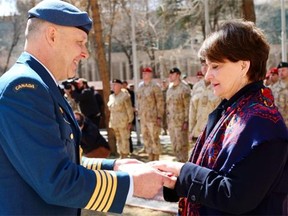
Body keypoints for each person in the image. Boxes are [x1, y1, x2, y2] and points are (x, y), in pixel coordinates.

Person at [0, 1, 173, 215]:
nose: (85, 53)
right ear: (52, 36)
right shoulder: (24, 89)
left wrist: (114, 167)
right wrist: (131, 184)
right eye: (80, 42)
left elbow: (61, 160)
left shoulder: (40, 85)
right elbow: (56, 180)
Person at [149, 20, 288, 215]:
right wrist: (173, 181)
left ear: (243, 66)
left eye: (215, 66)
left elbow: (236, 196)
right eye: (207, 66)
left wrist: (183, 171)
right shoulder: (234, 109)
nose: (208, 76)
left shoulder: (263, 123)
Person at [188, 59, 221, 150]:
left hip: (212, 132)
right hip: (197, 132)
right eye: (203, 64)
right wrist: (190, 130)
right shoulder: (196, 86)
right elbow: (192, 110)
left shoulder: (219, 85)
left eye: (208, 64)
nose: (205, 67)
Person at [136, 67, 164, 161]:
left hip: (153, 118)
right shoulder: (140, 87)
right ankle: (150, 157)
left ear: (150, 74)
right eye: (143, 73)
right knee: (146, 138)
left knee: (154, 138)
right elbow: (139, 102)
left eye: (146, 73)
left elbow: (160, 102)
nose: (144, 75)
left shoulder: (155, 86)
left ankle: (156, 159)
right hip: (143, 118)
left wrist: (159, 116)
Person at [166, 67, 191, 162]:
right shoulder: (170, 89)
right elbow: (167, 106)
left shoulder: (184, 88)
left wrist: (186, 121)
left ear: (178, 75)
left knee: (182, 146)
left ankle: (184, 165)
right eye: (170, 74)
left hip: (181, 123)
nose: (170, 76)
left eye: (172, 74)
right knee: (175, 146)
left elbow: (187, 106)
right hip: (172, 123)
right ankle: (178, 165)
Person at [107, 79, 134, 158]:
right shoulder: (111, 96)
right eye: (112, 85)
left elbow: (129, 109)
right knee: (118, 140)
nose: (113, 87)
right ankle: (121, 155)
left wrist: (130, 122)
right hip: (115, 122)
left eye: (115, 85)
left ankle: (125, 156)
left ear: (120, 86)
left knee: (124, 140)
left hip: (123, 122)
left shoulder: (125, 96)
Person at [272, 62, 288, 126]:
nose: (281, 72)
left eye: (283, 70)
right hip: (278, 121)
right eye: (279, 71)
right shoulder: (274, 87)